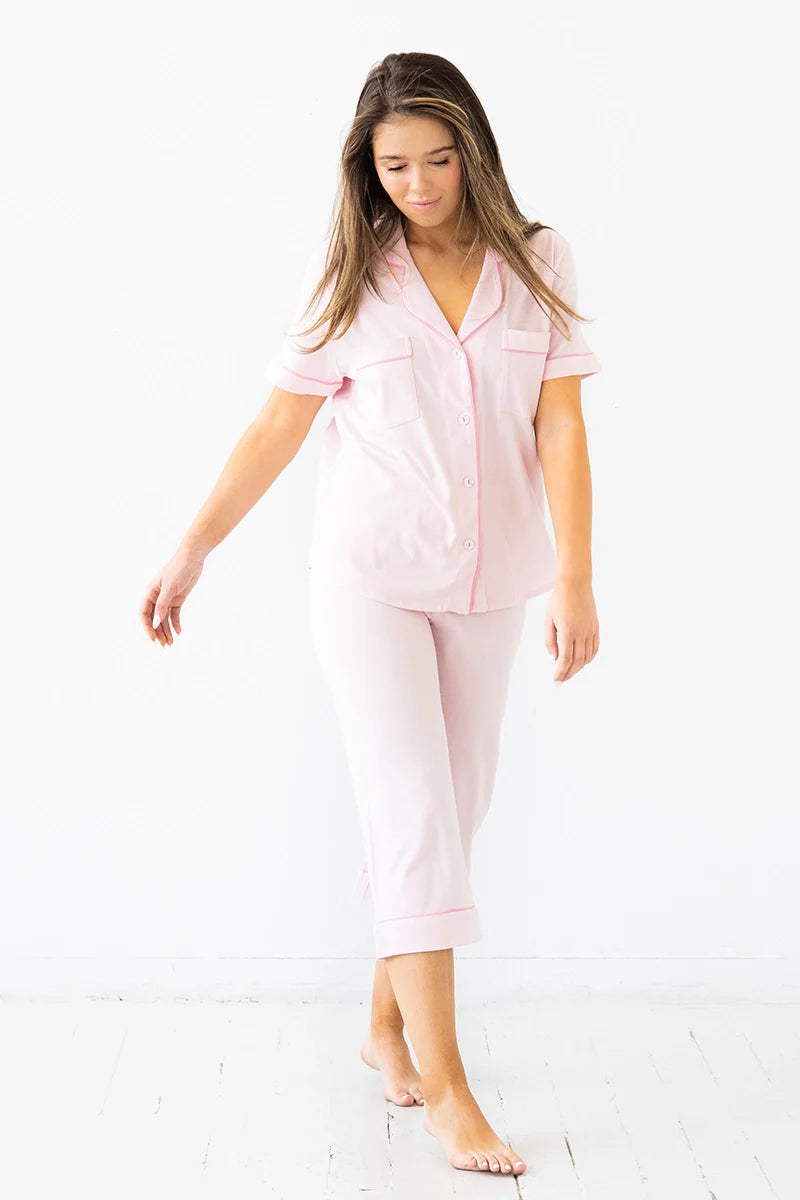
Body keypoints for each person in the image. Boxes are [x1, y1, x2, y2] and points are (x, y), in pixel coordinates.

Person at [139, 51, 601, 1179]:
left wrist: (576, 577)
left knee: (451, 816)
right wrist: (193, 547)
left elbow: (559, 423)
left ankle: (384, 1025)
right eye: (395, 165)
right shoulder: (349, 270)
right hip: (370, 582)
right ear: (367, 166)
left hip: (492, 583)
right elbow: (278, 425)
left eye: (438, 159)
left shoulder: (538, 258)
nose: (419, 184)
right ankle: (448, 1091)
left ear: (473, 150)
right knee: (414, 817)